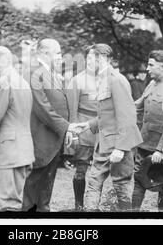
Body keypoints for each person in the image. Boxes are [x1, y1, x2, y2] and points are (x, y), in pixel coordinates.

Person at [81, 44, 143, 212]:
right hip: (103, 143)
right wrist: (88, 125)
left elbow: (128, 115)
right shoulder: (102, 78)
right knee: (93, 181)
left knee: (121, 185)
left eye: (90, 58)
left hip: (119, 144)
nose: (87, 62)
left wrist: (121, 148)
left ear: (102, 59)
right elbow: (107, 113)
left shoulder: (116, 80)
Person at [22, 38, 79, 212]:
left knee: (46, 184)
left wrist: (66, 129)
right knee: (33, 186)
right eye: (58, 53)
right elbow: (42, 107)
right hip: (40, 138)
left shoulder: (50, 73)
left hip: (53, 137)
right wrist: (66, 127)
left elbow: (60, 103)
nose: (61, 57)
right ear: (45, 53)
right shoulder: (34, 73)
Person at [0, 46, 34, 211]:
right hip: (25, 147)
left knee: (8, 203)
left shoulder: (5, 82)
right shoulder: (23, 81)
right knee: (17, 199)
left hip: (10, 147)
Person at [131, 50, 163, 212]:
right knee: (138, 180)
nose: (147, 68)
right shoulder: (151, 84)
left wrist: (159, 149)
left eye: (151, 65)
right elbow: (138, 106)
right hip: (144, 142)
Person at [67, 53, 99, 211]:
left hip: (103, 131)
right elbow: (72, 110)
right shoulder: (77, 80)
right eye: (91, 58)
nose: (93, 61)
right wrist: (73, 132)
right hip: (83, 132)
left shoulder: (107, 79)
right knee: (81, 171)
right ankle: (78, 206)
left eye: (97, 58)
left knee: (102, 172)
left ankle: (96, 205)